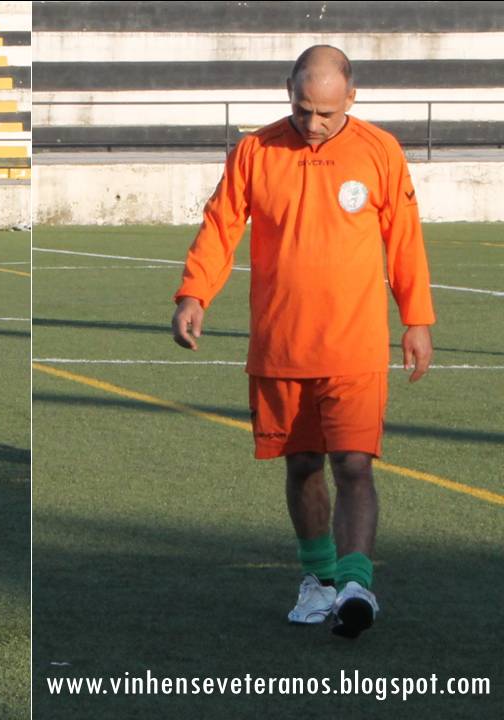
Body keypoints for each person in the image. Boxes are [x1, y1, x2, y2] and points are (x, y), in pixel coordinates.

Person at [170, 45, 434, 639]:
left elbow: (404, 238)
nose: (313, 124)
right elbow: (220, 225)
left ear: (351, 99)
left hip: (355, 343)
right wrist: (194, 294)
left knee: (355, 464)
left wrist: (416, 318)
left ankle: (357, 585)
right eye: (302, 109)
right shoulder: (255, 151)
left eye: (326, 113)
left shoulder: (380, 151)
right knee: (304, 464)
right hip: (281, 343)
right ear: (287, 91)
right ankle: (318, 581)